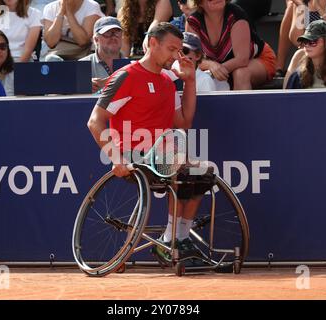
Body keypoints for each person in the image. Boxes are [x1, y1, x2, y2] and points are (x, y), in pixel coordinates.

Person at [87, 22, 204, 259]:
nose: (175, 56)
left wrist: (189, 81)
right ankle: (170, 241)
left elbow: (183, 122)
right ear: (152, 43)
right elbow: (94, 121)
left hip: (162, 154)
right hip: (132, 155)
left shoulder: (166, 81)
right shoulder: (126, 77)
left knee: (202, 174)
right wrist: (116, 159)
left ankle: (178, 238)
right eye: (171, 49)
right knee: (177, 162)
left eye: (178, 50)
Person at [186, 0, 276, 90]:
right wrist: (210, 65)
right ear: (199, 2)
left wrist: (217, 69)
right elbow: (192, 58)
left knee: (241, 73)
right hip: (221, 68)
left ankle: (241, 104)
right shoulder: (193, 21)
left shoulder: (236, 15)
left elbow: (242, 59)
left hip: (258, 58)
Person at [283, 0, 326, 87]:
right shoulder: (302, 2)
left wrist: (319, 9)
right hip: (312, 50)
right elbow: (296, 39)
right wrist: (301, 8)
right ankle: (286, 96)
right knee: (299, 55)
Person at [79, 16, 124, 93]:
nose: (113, 37)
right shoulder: (81, 65)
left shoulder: (131, 65)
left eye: (117, 33)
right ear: (96, 40)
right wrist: (81, 86)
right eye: (107, 33)